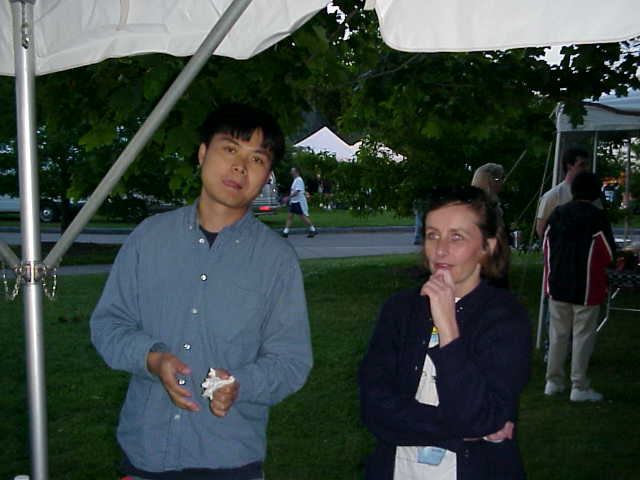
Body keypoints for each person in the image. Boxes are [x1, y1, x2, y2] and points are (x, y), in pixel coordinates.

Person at [90, 103, 313, 480]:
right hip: (146, 452)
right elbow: (109, 325)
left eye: (257, 159)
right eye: (230, 149)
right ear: (203, 152)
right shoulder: (149, 238)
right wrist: (151, 359)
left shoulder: (278, 261)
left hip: (230, 459)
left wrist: (241, 384)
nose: (240, 167)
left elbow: (291, 361)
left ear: (267, 175)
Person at [359, 186, 531, 479]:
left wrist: (448, 327)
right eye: (432, 235)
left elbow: (477, 414)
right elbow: (373, 408)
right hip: (398, 469)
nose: (440, 250)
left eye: (456, 237)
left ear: (487, 246)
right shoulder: (399, 310)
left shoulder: (505, 318)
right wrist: (460, 430)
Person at [543, 172, 615, 402]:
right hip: (587, 284)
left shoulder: (558, 214)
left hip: (558, 282)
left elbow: (546, 245)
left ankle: (553, 382)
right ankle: (579, 385)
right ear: (595, 192)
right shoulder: (596, 217)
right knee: (582, 335)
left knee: (558, 334)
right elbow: (607, 252)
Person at [535, 147, 589, 239]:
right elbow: (541, 229)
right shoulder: (552, 196)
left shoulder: (591, 193)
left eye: (587, 165)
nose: (586, 169)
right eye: (582, 165)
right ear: (569, 166)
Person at [282, 166, 317, 238]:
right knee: (290, 216)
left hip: (298, 202)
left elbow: (297, 192)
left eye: (292, 171)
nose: (291, 172)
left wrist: (288, 198)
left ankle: (313, 230)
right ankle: (285, 232)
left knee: (302, 217)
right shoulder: (295, 180)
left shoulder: (299, 180)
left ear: (296, 172)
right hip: (294, 202)